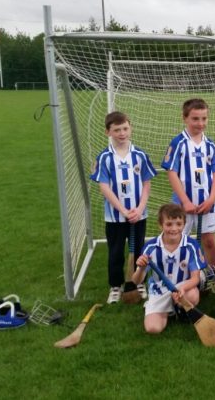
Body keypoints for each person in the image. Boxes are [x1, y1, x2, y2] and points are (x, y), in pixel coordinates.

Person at [89, 111, 157, 304]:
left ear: (130, 128)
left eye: (125, 128)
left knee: (140, 250)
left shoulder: (139, 155)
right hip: (115, 217)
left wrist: (140, 208)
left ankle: (139, 282)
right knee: (116, 252)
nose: (122, 133)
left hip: (138, 215)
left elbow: (146, 184)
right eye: (117, 130)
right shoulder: (105, 157)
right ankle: (115, 286)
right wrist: (123, 210)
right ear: (108, 132)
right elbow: (104, 187)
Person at [161, 98, 215, 267]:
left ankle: (212, 274)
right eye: (195, 119)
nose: (200, 123)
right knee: (178, 240)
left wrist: (212, 199)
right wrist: (185, 201)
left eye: (204, 118)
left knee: (209, 241)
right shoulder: (178, 143)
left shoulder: (210, 144)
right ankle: (179, 273)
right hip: (183, 204)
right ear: (185, 118)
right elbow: (171, 172)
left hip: (206, 202)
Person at [131, 203, 206, 334]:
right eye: (169, 224)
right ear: (161, 225)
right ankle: (167, 310)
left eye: (178, 224)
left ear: (184, 224)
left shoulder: (191, 245)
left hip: (183, 288)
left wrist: (183, 288)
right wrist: (141, 269)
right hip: (159, 291)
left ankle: (180, 309)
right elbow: (136, 281)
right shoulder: (151, 247)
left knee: (193, 295)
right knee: (153, 329)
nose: (174, 228)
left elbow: (195, 278)